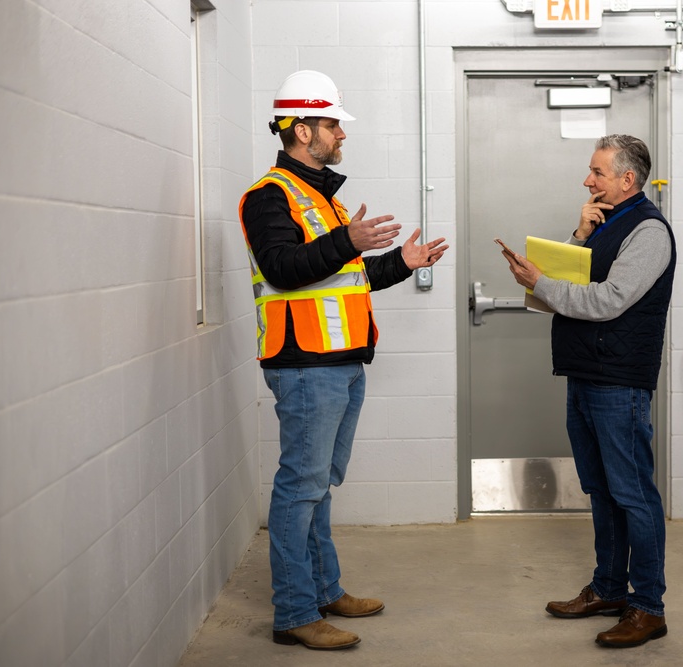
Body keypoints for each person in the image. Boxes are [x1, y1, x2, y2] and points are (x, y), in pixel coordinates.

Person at [239, 70, 448, 651]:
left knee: (318, 486)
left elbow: (342, 278)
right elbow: (283, 268)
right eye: (332, 124)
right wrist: (349, 241)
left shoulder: (320, 202)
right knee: (300, 487)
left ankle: (325, 589)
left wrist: (402, 262)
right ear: (301, 130)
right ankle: (294, 614)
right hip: (303, 364)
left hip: (339, 363)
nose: (340, 134)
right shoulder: (269, 197)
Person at [500, 134, 675, 649]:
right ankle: (608, 589)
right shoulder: (605, 225)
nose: (587, 180)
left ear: (627, 179)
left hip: (619, 384)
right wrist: (577, 237)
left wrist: (542, 282)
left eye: (597, 172)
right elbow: (560, 292)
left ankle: (648, 607)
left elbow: (609, 301)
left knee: (634, 496)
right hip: (586, 375)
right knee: (601, 491)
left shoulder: (649, 232)